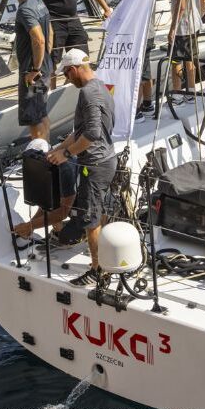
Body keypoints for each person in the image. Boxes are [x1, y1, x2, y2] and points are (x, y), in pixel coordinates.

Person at [47, 49, 117, 286]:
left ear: (74, 69)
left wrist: (66, 154)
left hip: (95, 165)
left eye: (67, 74)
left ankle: (98, 270)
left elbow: (92, 133)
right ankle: (105, 259)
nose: (68, 79)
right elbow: (81, 131)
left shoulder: (87, 93)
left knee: (90, 219)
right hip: (107, 160)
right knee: (100, 212)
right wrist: (58, 148)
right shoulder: (102, 88)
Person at [11, 0, 52, 141]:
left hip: (32, 73)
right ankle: (46, 149)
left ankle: (40, 157)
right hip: (44, 68)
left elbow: (39, 39)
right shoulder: (38, 2)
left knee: (34, 120)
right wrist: (46, 61)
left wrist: (35, 69)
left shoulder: (26, 9)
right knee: (41, 113)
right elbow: (50, 32)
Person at [117, 0, 155, 117]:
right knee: (145, 70)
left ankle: (137, 110)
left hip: (137, 34)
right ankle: (148, 104)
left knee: (136, 72)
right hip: (148, 32)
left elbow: (128, 9)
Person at [168, 0, 205, 95]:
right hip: (194, 24)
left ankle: (177, 95)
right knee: (190, 60)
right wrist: (199, 16)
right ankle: (191, 92)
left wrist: (172, 28)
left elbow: (182, 6)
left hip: (182, 28)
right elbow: (204, 0)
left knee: (175, 62)